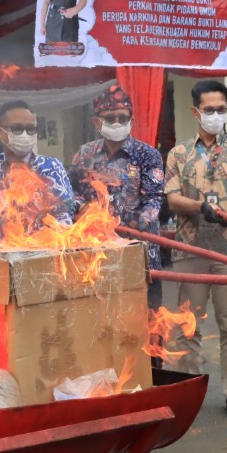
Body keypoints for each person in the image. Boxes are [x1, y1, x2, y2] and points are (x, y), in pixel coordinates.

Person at [165, 79, 227, 419]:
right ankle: (187, 391)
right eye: (210, 110)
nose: (216, 115)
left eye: (221, 109)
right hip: (190, 249)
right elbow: (172, 198)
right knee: (187, 324)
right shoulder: (178, 154)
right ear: (195, 112)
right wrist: (196, 207)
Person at [69, 84, 165, 310]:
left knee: (146, 324)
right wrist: (82, 208)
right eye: (110, 118)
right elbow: (70, 190)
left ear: (132, 120)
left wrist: (145, 221)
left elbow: (154, 196)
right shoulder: (85, 154)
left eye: (123, 117)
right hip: (96, 255)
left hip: (140, 255)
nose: (117, 123)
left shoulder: (148, 155)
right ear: (96, 122)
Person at [0, 100, 75, 224]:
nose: (25, 135)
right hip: (0, 242)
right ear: (0, 133)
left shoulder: (52, 167)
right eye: (17, 128)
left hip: (48, 240)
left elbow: (66, 212)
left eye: (30, 129)